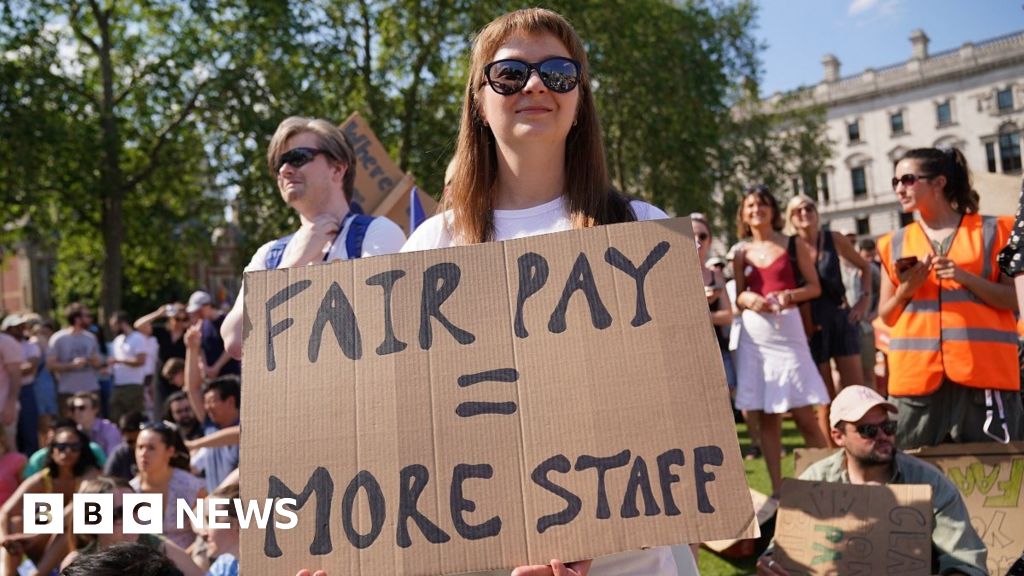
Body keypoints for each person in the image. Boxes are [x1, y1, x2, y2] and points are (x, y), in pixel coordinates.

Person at [402, 8, 695, 575]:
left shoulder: (641, 229)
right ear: (478, 103)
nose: (535, 85)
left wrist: (590, 534)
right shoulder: (430, 245)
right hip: (484, 548)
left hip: (626, 552)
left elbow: (678, 405)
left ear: (580, 98)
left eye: (559, 73)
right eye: (509, 74)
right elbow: (413, 416)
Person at [220, 116, 407, 359]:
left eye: (298, 158)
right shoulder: (270, 255)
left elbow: (379, 321)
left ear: (338, 168)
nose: (285, 170)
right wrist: (294, 265)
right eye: (279, 163)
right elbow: (235, 341)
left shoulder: (377, 233)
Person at [756, 385, 987, 576]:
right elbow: (781, 549)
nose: (883, 436)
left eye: (888, 426)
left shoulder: (929, 482)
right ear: (838, 436)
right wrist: (770, 564)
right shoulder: (816, 481)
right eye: (867, 430)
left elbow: (966, 560)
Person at [878, 147, 1023, 449]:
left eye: (907, 179)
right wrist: (908, 288)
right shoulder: (893, 242)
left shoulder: (996, 231)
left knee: (998, 487)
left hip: (985, 379)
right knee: (907, 481)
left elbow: (1015, 300)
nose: (899, 188)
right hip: (915, 383)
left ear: (939, 182)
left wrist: (965, 277)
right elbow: (887, 316)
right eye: (895, 182)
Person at [732, 186, 830, 497]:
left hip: (788, 333)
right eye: (750, 205)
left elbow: (814, 287)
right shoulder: (739, 252)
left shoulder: (792, 244)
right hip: (755, 341)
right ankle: (778, 491)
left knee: (804, 412)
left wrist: (791, 295)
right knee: (767, 414)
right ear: (743, 214)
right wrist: (747, 297)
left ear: (773, 210)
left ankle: (833, 482)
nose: (756, 210)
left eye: (762, 204)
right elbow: (738, 296)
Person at [785, 195, 873, 441]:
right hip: (810, 324)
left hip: (839, 317)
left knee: (856, 391)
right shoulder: (788, 246)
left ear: (817, 211)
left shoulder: (833, 239)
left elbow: (865, 267)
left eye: (809, 207)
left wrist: (863, 301)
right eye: (798, 210)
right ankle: (831, 457)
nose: (804, 213)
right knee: (824, 398)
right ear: (791, 218)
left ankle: (865, 445)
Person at [0, 421, 100, 572]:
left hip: (80, 543)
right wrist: (4, 539)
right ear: (52, 451)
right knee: (16, 522)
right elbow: (6, 511)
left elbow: (76, 507)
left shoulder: (90, 474)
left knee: (70, 525)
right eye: (61, 447)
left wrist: (36, 536)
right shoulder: (43, 478)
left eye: (74, 447)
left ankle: (38, 574)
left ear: (82, 451)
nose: (67, 452)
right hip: (43, 543)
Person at [130, 422, 206, 549]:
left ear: (170, 451)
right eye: (140, 447)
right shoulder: (130, 491)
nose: (143, 453)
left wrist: (185, 559)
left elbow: (206, 532)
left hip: (190, 560)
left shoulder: (189, 486)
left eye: (151, 448)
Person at [185, 327, 239, 493]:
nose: (206, 407)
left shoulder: (248, 426)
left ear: (230, 401)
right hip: (214, 508)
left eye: (212, 401)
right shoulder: (210, 426)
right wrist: (192, 349)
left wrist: (195, 444)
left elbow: (240, 434)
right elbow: (192, 389)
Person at [692, 213, 735, 390]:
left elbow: (728, 316)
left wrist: (700, 313)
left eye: (703, 236)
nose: (697, 240)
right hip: (691, 351)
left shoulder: (715, 275)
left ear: (709, 240)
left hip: (718, 349)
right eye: (691, 234)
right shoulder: (675, 274)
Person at [135, 303, 189, 422]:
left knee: (181, 407)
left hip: (181, 378)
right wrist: (158, 313)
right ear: (171, 319)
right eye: (177, 319)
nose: (180, 322)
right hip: (162, 377)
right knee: (161, 409)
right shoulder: (163, 331)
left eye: (184, 319)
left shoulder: (188, 334)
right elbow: (139, 325)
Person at [48, 304, 102, 413]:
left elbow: (98, 363)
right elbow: (50, 365)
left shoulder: (91, 337)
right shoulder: (58, 338)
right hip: (68, 391)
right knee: (69, 426)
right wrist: (72, 365)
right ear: (77, 318)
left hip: (91, 389)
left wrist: (95, 361)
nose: (90, 318)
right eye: (86, 315)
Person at [30, 319, 60, 452]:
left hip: (41, 385)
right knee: (48, 419)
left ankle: (47, 448)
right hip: (47, 384)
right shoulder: (47, 343)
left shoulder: (35, 343)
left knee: (44, 420)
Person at [0, 316, 28, 452]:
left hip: (3, 407)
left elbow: (16, 376)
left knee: (10, 450)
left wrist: (10, 404)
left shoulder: (6, 342)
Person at [68, 392, 122, 457]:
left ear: (95, 409)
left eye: (82, 408)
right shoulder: (74, 432)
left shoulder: (110, 430)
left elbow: (113, 459)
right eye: (73, 409)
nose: (76, 412)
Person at [103, 411, 146, 481]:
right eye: (130, 442)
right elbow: (108, 481)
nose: (136, 446)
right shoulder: (120, 454)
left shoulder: (154, 451)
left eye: (141, 445)